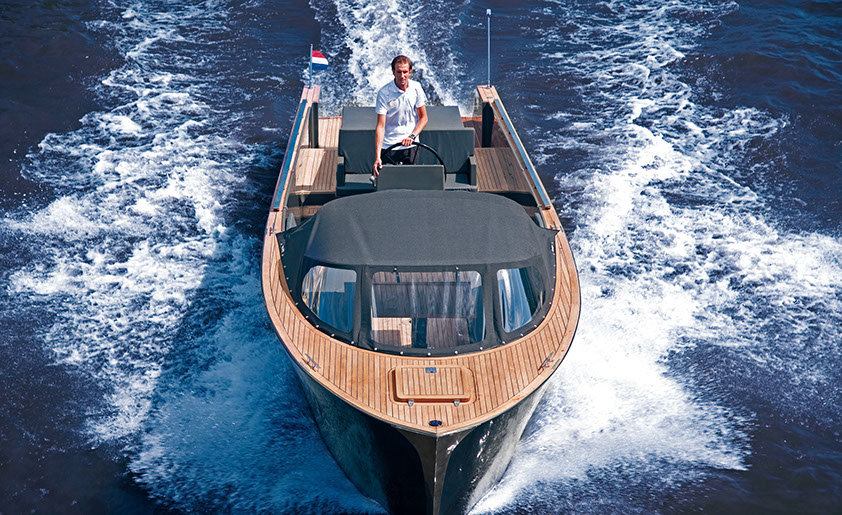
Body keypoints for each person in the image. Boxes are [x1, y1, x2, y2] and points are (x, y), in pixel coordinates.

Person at [372, 55, 428, 177]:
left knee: (411, 180)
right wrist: (377, 157)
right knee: (387, 182)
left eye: (405, 72)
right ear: (393, 72)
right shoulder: (384, 93)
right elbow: (380, 126)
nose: (402, 76)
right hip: (389, 146)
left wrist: (412, 136)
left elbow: (424, 118)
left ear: (410, 72)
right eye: (399, 72)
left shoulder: (416, 88)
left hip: (411, 145)